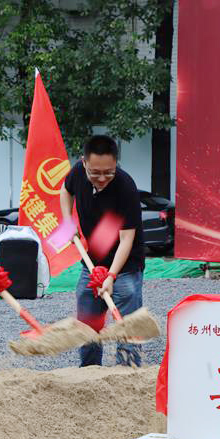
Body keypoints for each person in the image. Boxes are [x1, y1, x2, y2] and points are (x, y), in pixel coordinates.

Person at [60, 134, 145, 367]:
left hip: (125, 267)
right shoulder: (77, 172)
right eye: (95, 172)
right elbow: (65, 191)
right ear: (84, 162)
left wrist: (111, 276)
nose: (102, 178)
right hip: (92, 261)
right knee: (87, 323)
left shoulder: (125, 187)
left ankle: (127, 374)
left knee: (126, 325)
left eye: (109, 172)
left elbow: (127, 239)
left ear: (116, 163)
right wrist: (68, 224)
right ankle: (89, 372)